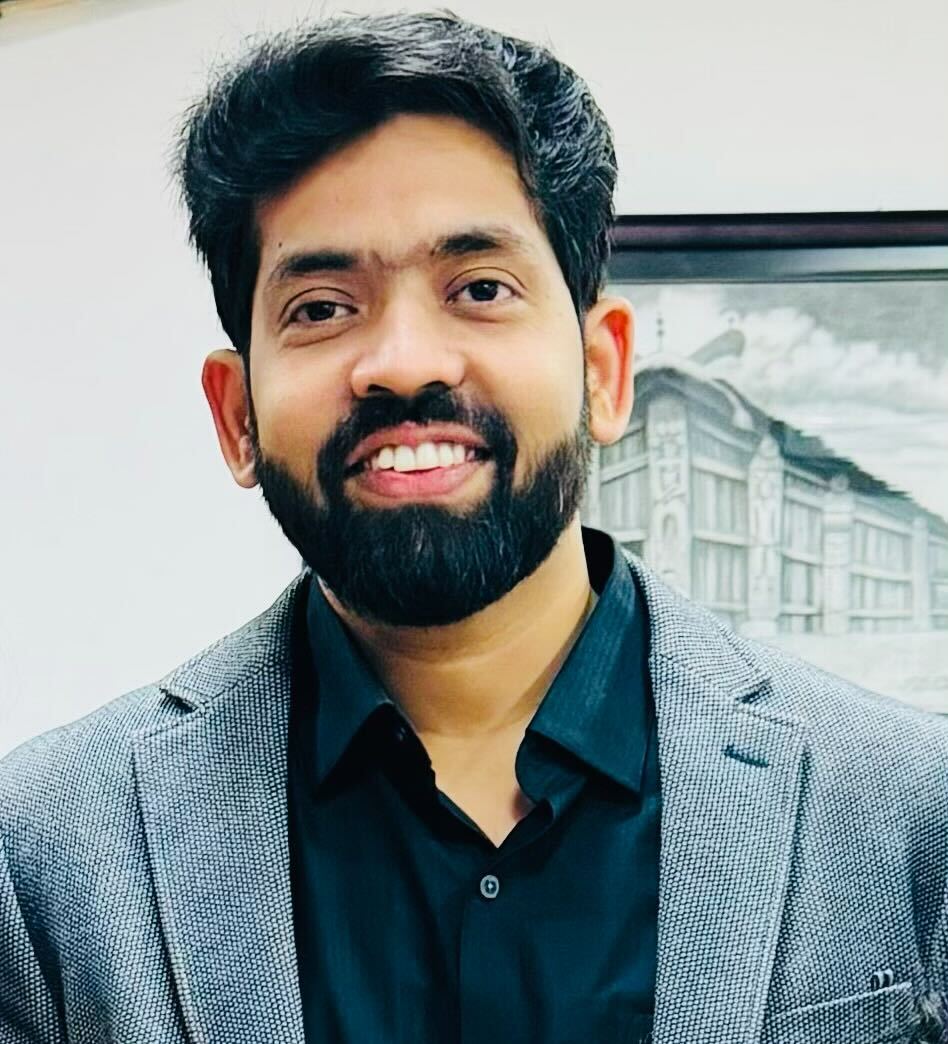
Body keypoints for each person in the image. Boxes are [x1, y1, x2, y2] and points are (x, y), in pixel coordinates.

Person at [1, 11, 945, 1044]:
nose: (405, 363)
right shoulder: (45, 859)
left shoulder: (910, 813)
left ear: (603, 372)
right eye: (322, 307)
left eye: (480, 288)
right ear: (237, 417)